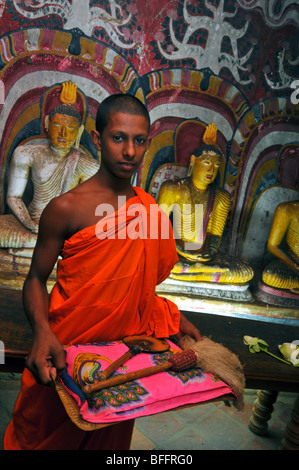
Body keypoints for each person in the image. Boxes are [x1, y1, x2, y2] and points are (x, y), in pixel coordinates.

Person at [4, 93, 200, 450]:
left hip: (120, 361)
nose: (130, 152)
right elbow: (35, 279)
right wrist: (43, 332)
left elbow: (139, 286)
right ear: (97, 139)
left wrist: (172, 319)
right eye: (118, 138)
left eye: (139, 141)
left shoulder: (148, 208)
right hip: (67, 352)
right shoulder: (65, 208)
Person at [0, 81, 99, 250]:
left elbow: (89, 212)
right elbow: (13, 197)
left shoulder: (89, 165)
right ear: (46, 123)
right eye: (58, 125)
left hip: (64, 232)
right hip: (30, 223)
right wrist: (29, 223)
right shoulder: (26, 154)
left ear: (79, 132)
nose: (64, 133)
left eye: (71, 128)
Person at [157, 123, 253, 284]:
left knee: (245, 271)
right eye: (207, 163)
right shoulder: (172, 188)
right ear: (194, 161)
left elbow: (215, 235)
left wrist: (210, 253)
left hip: (204, 257)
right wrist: (180, 249)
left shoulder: (221, 197)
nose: (211, 171)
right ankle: (199, 273)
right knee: (154, 260)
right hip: (174, 253)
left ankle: (191, 272)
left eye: (216, 165)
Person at [262, 200, 299, 292]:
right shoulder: (286, 209)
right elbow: (272, 246)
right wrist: (296, 266)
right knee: (270, 276)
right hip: (292, 265)